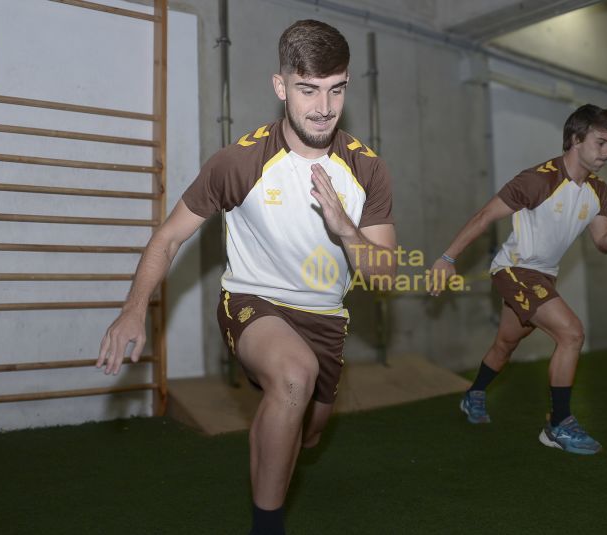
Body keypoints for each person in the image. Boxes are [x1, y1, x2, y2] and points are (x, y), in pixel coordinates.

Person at [97, 20, 396, 534]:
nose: (323, 107)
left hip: (327, 317)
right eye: (308, 90)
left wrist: (346, 228)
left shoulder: (366, 170)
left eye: (336, 89)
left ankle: (280, 432)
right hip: (252, 303)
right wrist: (132, 310)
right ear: (281, 87)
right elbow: (168, 237)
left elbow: (386, 277)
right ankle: (267, 525)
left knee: (310, 430)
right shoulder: (238, 162)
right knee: (292, 377)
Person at [431, 104, 607, 455]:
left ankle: (474, 394)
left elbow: (603, 242)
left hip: (544, 276)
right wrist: (447, 259)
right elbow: (485, 215)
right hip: (515, 270)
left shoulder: (597, 190)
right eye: (600, 143)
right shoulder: (537, 180)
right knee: (572, 333)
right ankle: (557, 425)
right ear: (575, 140)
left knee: (505, 344)